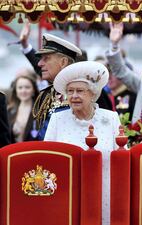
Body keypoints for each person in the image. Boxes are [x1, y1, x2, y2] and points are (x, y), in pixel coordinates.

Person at [44, 61, 121, 225]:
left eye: (80, 91)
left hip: (103, 194)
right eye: (70, 91)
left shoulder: (111, 118)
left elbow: (121, 159)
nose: (74, 96)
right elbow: (46, 159)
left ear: (92, 94)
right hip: (67, 194)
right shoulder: (57, 119)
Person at [19, 23, 112, 140]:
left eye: (46, 58)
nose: (40, 63)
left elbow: (106, 128)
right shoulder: (48, 93)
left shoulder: (90, 90)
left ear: (63, 62)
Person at [7, 75, 40, 142]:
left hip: (33, 149)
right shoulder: (9, 110)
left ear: (33, 90)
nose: (23, 91)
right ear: (16, 91)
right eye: (20, 87)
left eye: (27, 87)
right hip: (14, 151)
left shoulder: (40, 110)